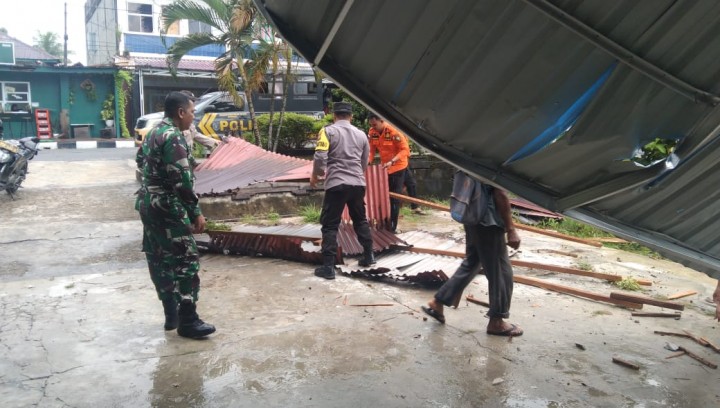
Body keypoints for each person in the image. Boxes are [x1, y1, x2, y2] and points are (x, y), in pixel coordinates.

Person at [135, 91, 216, 339]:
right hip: (169, 206)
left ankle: (171, 314)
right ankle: (188, 320)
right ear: (181, 113)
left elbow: (141, 162)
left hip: (148, 203)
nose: (193, 117)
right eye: (192, 112)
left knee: (159, 258)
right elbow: (181, 181)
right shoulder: (174, 138)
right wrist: (195, 212)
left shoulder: (153, 133)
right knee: (186, 261)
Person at [422, 172, 523, 336]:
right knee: (501, 272)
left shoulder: (472, 153)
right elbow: (500, 193)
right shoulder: (496, 155)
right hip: (488, 221)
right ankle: (497, 321)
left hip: (472, 216)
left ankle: (438, 302)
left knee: (472, 263)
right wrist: (511, 229)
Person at [310, 101, 376, 279]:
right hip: (357, 183)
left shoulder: (328, 131)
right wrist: (356, 175)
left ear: (334, 115)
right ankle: (369, 256)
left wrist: (317, 174)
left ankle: (328, 267)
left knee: (330, 224)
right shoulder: (362, 134)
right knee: (360, 220)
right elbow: (365, 160)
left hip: (337, 184)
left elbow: (320, 155)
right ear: (351, 117)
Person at [367, 113, 412, 232]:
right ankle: (384, 222)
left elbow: (405, 150)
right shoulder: (373, 132)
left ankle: (393, 226)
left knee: (395, 197)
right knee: (384, 197)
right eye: (371, 125)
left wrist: (392, 161)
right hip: (385, 168)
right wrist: (368, 161)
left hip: (398, 166)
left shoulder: (393, 132)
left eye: (375, 124)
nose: (373, 127)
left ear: (382, 121)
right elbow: (371, 150)